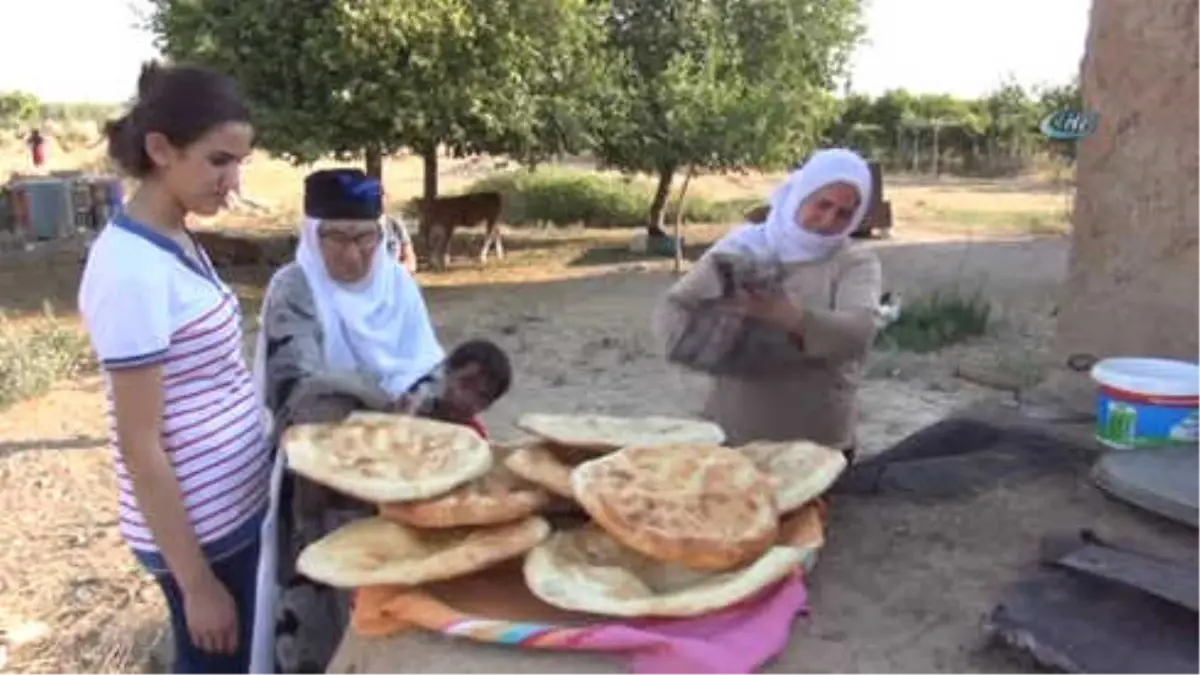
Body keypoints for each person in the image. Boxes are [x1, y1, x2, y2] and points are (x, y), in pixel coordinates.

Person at [77, 63, 268, 674]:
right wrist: (198, 586)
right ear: (161, 149)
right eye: (218, 161)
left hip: (236, 512)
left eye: (240, 161)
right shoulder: (129, 272)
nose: (233, 181)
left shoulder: (175, 236)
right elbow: (140, 446)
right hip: (206, 540)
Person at [249, 168, 446, 675]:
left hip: (400, 480)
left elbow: (429, 368)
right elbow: (299, 391)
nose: (352, 253)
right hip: (320, 486)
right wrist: (389, 405)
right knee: (324, 609)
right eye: (335, 237)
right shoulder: (293, 289)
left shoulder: (397, 284)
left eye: (364, 237)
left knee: (395, 609)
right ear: (312, 234)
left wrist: (418, 397)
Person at [653, 148, 882, 463]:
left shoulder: (854, 261)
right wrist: (715, 330)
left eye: (844, 213)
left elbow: (860, 333)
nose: (829, 219)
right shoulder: (743, 246)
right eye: (823, 204)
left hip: (818, 442)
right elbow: (676, 307)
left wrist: (794, 319)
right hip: (734, 434)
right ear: (802, 193)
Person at [398, 338, 513, 439]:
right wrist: (404, 422)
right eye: (466, 383)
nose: (469, 399)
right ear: (447, 372)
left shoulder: (474, 437)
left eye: (482, 396)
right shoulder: (411, 406)